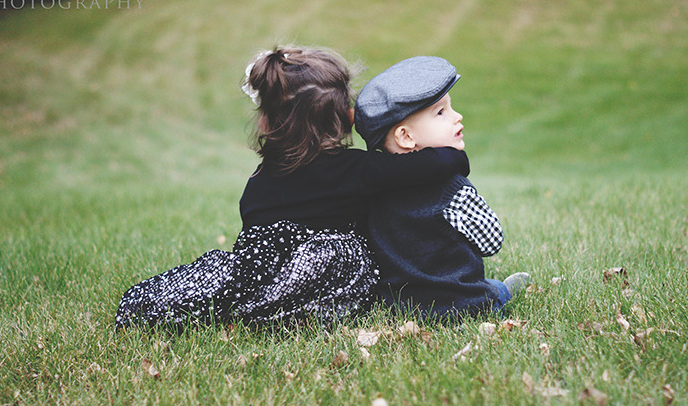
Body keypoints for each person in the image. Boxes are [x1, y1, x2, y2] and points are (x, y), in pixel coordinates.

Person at [115, 46, 470, 329]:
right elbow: (426, 166)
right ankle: (289, 308)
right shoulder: (352, 170)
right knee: (348, 259)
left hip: (257, 269)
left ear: (268, 123)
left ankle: (254, 305)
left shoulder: (260, 179)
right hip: (316, 270)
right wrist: (456, 156)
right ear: (343, 119)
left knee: (220, 284)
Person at [354, 56, 530, 320]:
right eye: (440, 112)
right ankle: (501, 292)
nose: (457, 116)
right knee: (493, 291)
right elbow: (492, 242)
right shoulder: (452, 190)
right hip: (461, 304)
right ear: (406, 136)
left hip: (400, 307)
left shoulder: (373, 191)